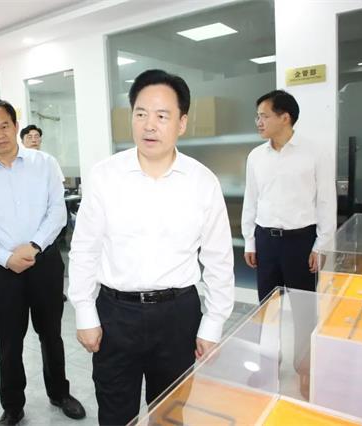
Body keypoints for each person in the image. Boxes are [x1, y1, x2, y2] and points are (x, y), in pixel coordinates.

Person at [68, 69, 235, 425]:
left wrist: (213, 322)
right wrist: (84, 310)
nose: (149, 125)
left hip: (178, 316)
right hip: (116, 314)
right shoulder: (105, 176)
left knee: (170, 415)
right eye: (141, 113)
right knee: (115, 414)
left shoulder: (202, 181)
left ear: (182, 123)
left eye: (162, 116)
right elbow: (84, 249)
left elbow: (219, 258)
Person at [0, 99, 86, 425]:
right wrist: (7, 258)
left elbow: (57, 212)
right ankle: (13, 406)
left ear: (15, 126)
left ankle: (59, 393)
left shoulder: (44, 163)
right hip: (1, 268)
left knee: (51, 334)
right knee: (9, 341)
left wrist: (33, 246)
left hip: (44, 261)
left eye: (5, 126)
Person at [240, 89, 336, 398]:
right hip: (266, 241)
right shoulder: (256, 156)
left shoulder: (314, 153)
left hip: (301, 242)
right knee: (267, 308)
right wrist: (250, 241)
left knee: (305, 310)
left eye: (264, 116)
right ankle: (268, 364)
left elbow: (326, 201)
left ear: (285, 117)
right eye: (257, 116)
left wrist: (320, 245)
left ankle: (305, 368)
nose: (259, 122)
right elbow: (251, 200)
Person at [20, 123, 67, 301]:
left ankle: (55, 292)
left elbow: (57, 189)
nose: (34, 140)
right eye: (29, 137)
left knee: (52, 265)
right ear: (22, 140)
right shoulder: (17, 162)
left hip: (47, 222)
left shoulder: (48, 161)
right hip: (24, 226)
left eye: (36, 136)